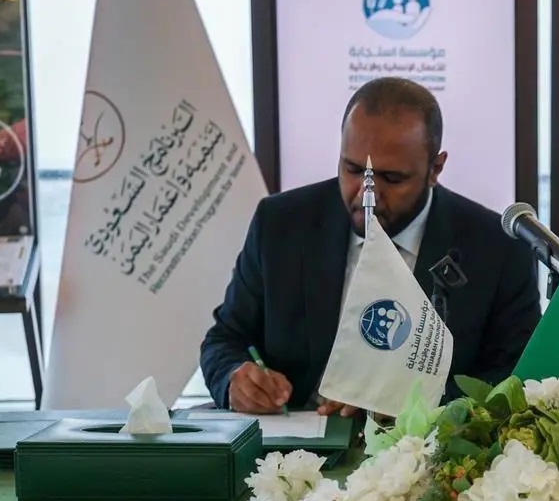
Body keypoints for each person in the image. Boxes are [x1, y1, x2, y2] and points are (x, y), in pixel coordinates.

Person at [201, 78, 541, 416]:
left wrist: (416, 406)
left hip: (428, 444)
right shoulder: (280, 224)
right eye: (353, 170)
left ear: (435, 169)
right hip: (294, 436)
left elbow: (518, 378)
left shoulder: (497, 249)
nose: (367, 195)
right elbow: (225, 338)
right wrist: (235, 379)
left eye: (391, 178)